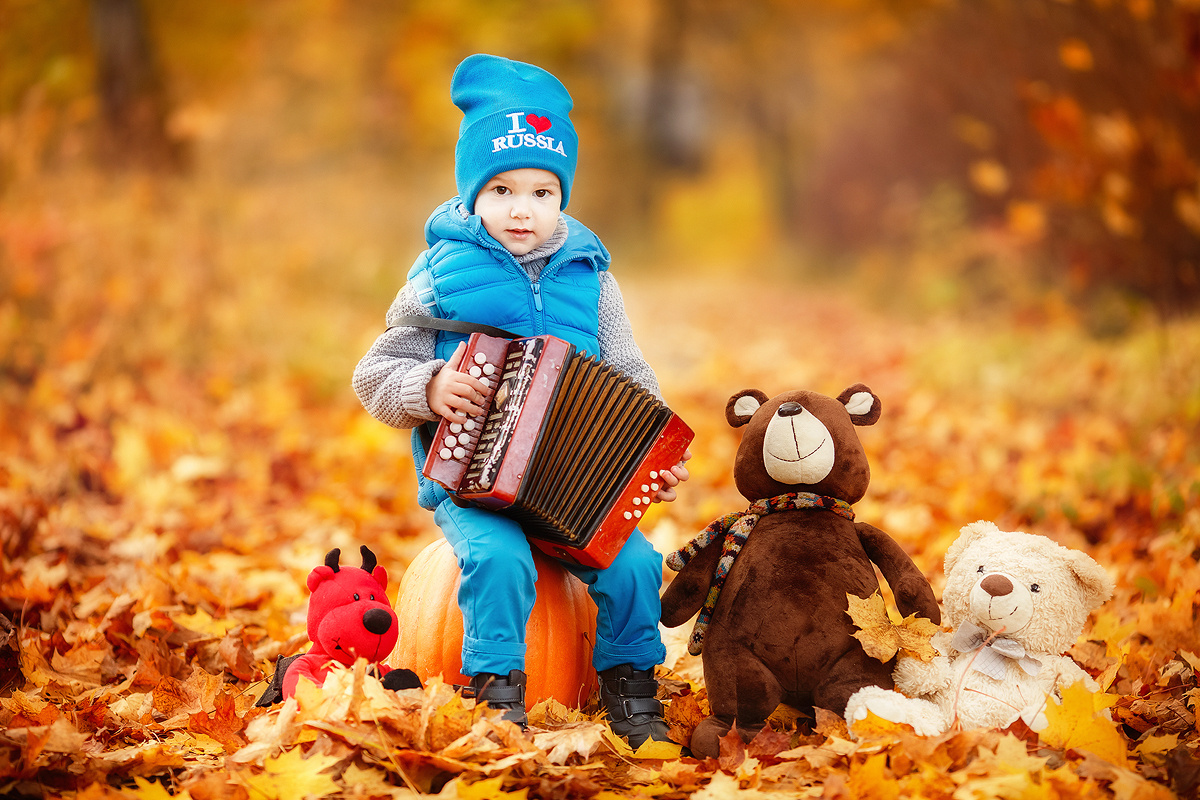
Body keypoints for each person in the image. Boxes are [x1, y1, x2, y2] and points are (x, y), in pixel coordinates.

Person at [352, 54, 688, 746]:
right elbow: (375, 371)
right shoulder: (440, 277)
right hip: (473, 487)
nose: (522, 209)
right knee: (498, 562)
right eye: (501, 189)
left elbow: (627, 370)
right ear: (472, 193)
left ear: (561, 196)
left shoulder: (591, 276)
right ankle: (496, 695)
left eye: (542, 191)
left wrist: (653, 454)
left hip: (575, 492)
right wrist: (429, 388)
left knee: (635, 564)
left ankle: (630, 690)